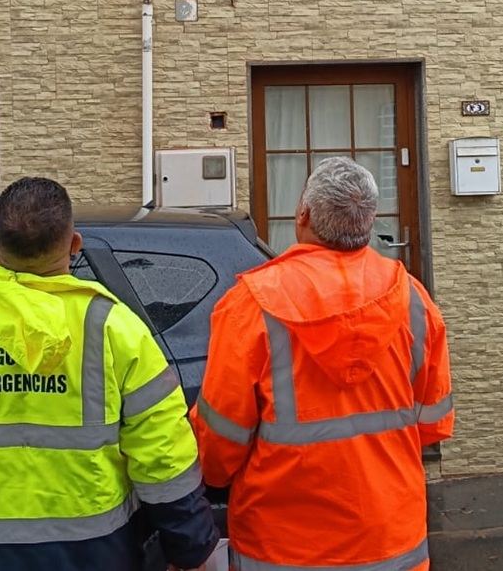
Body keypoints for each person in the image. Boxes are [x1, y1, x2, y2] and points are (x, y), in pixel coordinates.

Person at [0, 176, 217, 571]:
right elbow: (163, 456)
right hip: (94, 556)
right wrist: (191, 551)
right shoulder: (116, 330)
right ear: (74, 245)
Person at [191, 156, 454, 571]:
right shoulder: (414, 300)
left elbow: (219, 452)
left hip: (282, 547)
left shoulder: (251, 305)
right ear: (368, 220)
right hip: (391, 541)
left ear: (303, 214)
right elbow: (432, 425)